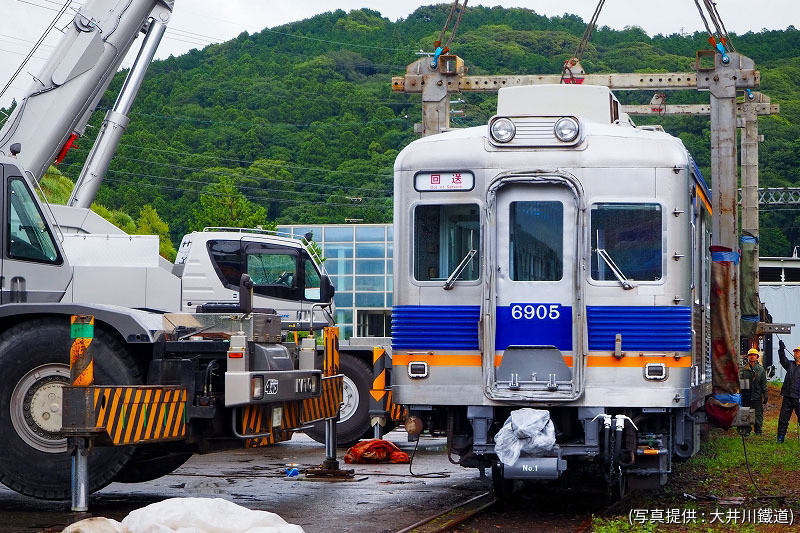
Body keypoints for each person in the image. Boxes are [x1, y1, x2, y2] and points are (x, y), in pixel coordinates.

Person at [776, 339, 800, 443]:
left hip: (798, 397)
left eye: (797, 351)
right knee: (783, 419)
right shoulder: (790, 364)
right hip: (787, 396)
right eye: (794, 351)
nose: (795, 353)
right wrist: (781, 349)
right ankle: (780, 437)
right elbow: (782, 359)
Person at [740, 348, 767, 435]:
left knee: (758, 414)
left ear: (757, 357)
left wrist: (765, 394)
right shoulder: (743, 369)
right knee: (745, 412)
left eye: (754, 355)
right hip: (746, 395)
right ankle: (746, 430)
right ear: (748, 357)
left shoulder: (761, 369)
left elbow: (763, 382)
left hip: (757, 395)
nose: (752, 357)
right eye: (750, 355)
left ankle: (758, 430)